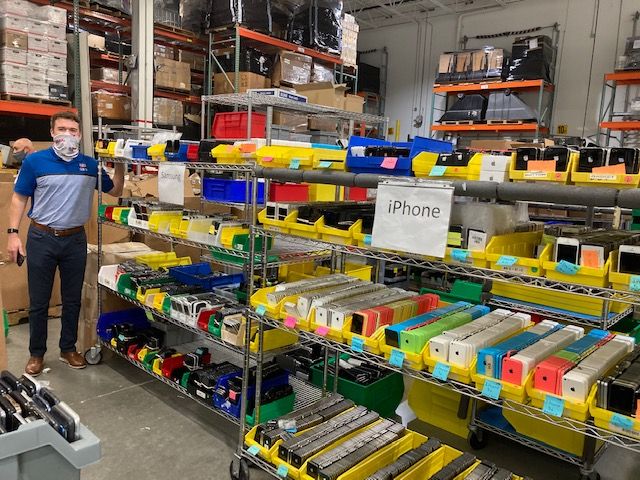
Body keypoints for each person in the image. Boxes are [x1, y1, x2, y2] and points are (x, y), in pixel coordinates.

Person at [6, 111, 125, 376]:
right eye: (62, 129)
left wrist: (120, 163)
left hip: (74, 239)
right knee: (39, 301)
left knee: (72, 299)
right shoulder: (35, 162)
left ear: (80, 134)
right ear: (52, 132)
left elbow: (115, 190)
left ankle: (68, 348)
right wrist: (13, 233)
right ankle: (36, 354)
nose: (68, 135)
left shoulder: (90, 165)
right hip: (42, 237)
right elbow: (18, 199)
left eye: (73, 130)